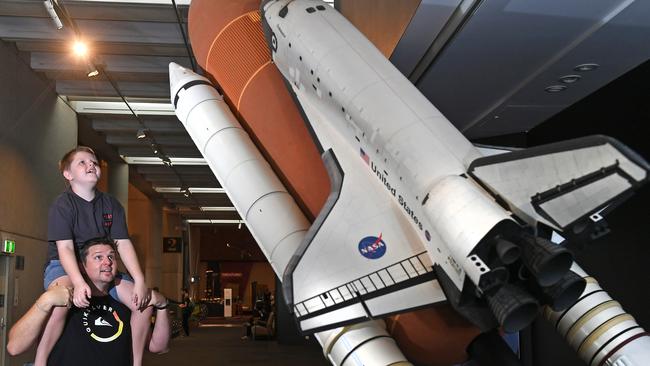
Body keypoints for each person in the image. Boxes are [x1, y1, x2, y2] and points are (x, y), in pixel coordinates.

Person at [37, 146, 151, 366]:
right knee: (61, 302)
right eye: (83, 162)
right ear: (68, 175)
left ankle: (135, 363)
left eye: (94, 162)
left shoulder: (111, 205)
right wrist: (79, 283)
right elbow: (66, 249)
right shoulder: (63, 205)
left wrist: (139, 280)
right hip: (64, 265)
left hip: (99, 265)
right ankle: (41, 362)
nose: (91, 165)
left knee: (143, 304)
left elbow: (123, 244)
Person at [6, 237, 171, 365]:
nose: (107, 262)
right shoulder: (64, 302)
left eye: (111, 257)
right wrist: (45, 301)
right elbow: (14, 347)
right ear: (81, 266)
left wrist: (162, 305)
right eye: (98, 257)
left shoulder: (127, 305)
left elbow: (159, 347)